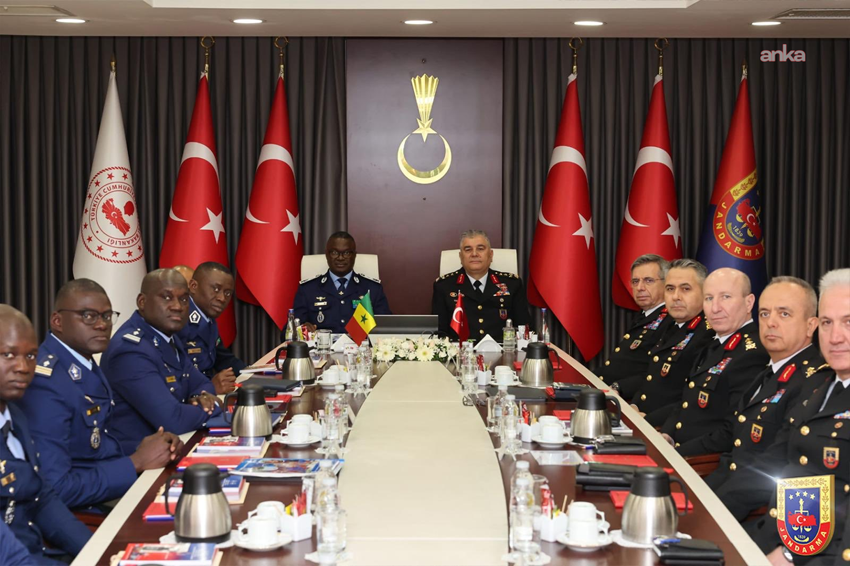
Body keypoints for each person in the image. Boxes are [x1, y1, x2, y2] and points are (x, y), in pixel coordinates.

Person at [17, 279, 184, 511]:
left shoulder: (82, 361)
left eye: (106, 316)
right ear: (57, 321)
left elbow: (96, 446)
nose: (102, 325)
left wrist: (151, 446)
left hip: (106, 484)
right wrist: (135, 462)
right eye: (88, 316)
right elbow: (56, 489)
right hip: (85, 509)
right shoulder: (46, 383)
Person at [743, 269, 850, 565]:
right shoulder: (820, 385)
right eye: (827, 322)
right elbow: (786, 464)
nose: (835, 337)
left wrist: (791, 555)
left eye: (848, 322)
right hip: (785, 534)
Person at [701, 276, 825, 519]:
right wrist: (699, 497)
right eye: (765, 314)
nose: (771, 323)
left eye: (784, 314)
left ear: (811, 326)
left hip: (759, 511)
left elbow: (776, 464)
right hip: (728, 488)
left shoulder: (813, 382)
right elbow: (735, 450)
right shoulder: (769, 372)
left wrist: (712, 512)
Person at [0, 304, 92, 562]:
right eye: (8, 355)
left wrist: (97, 552)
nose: (23, 366)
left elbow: (41, 497)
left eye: (31, 355)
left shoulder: (16, 416)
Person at [101, 269, 220, 454]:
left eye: (184, 299)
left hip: (175, 445)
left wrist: (201, 397)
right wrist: (214, 406)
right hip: (140, 461)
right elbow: (173, 420)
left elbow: (203, 383)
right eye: (166, 297)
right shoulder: (130, 350)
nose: (177, 306)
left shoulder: (167, 336)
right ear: (142, 302)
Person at [660, 268, 770, 451]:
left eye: (725, 297)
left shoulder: (752, 353)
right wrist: (667, 434)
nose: (715, 308)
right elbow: (686, 401)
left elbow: (732, 431)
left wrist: (677, 454)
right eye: (709, 298)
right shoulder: (714, 342)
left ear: (749, 302)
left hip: (702, 460)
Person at [611, 259, 714, 425]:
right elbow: (651, 377)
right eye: (670, 289)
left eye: (686, 289)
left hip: (666, 427)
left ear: (705, 293)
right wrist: (635, 405)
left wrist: (648, 420)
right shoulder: (672, 326)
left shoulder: (708, 334)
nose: (676, 296)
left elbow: (691, 398)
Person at [432, 230, 529, 342]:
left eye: (480, 249)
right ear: (460, 256)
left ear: (491, 255)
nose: (474, 254)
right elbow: (439, 333)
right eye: (468, 249)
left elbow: (524, 328)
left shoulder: (512, 284)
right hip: (459, 351)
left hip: (503, 351)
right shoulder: (444, 286)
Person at [292, 231, 391, 334]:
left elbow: (387, 328)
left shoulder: (372, 289)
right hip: (322, 344)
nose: (340, 258)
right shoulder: (308, 289)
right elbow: (289, 332)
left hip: (360, 344)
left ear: (354, 255)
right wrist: (301, 329)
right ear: (327, 255)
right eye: (334, 253)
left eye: (347, 253)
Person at [597, 254, 675, 384]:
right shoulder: (643, 316)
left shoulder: (671, 320)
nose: (639, 288)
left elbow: (657, 372)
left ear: (666, 284)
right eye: (635, 281)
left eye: (648, 280)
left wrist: (619, 387)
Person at [176, 262, 245, 394]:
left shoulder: (208, 318)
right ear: (193, 286)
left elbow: (224, 359)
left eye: (228, 293)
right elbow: (174, 378)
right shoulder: (178, 320)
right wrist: (210, 387)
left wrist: (254, 375)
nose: (222, 298)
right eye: (216, 289)